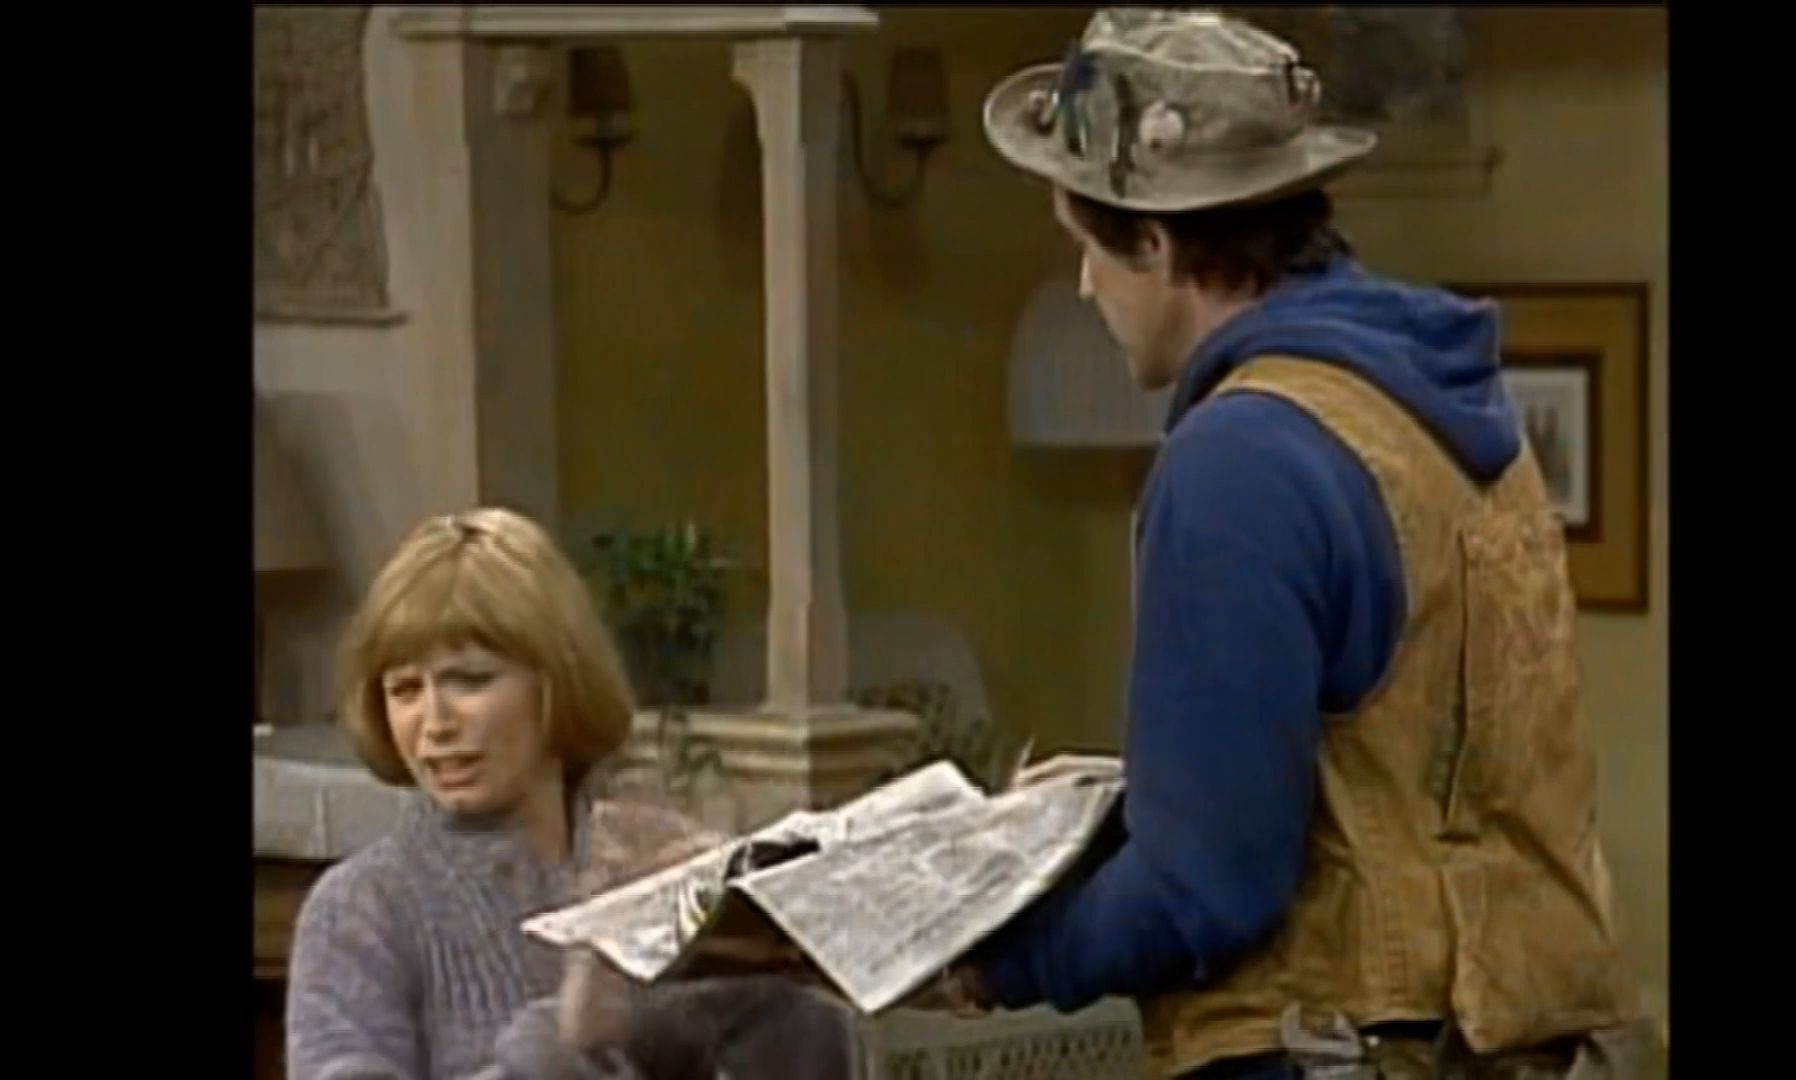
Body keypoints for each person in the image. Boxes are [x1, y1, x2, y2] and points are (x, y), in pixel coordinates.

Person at [938, 10, 1662, 1079]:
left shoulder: (1239, 460)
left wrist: (994, 961)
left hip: (1336, 1051)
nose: (1086, 286)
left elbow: (1209, 883)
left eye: (1088, 248)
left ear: (1157, 244)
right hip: (1517, 1046)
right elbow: (1396, 775)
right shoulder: (1443, 413)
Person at [285, 507, 858, 1080]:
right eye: (405, 690)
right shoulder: (358, 910)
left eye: (471, 680)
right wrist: (560, 1042)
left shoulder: (649, 866)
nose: (434, 722)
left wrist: (772, 976)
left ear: (556, 682)